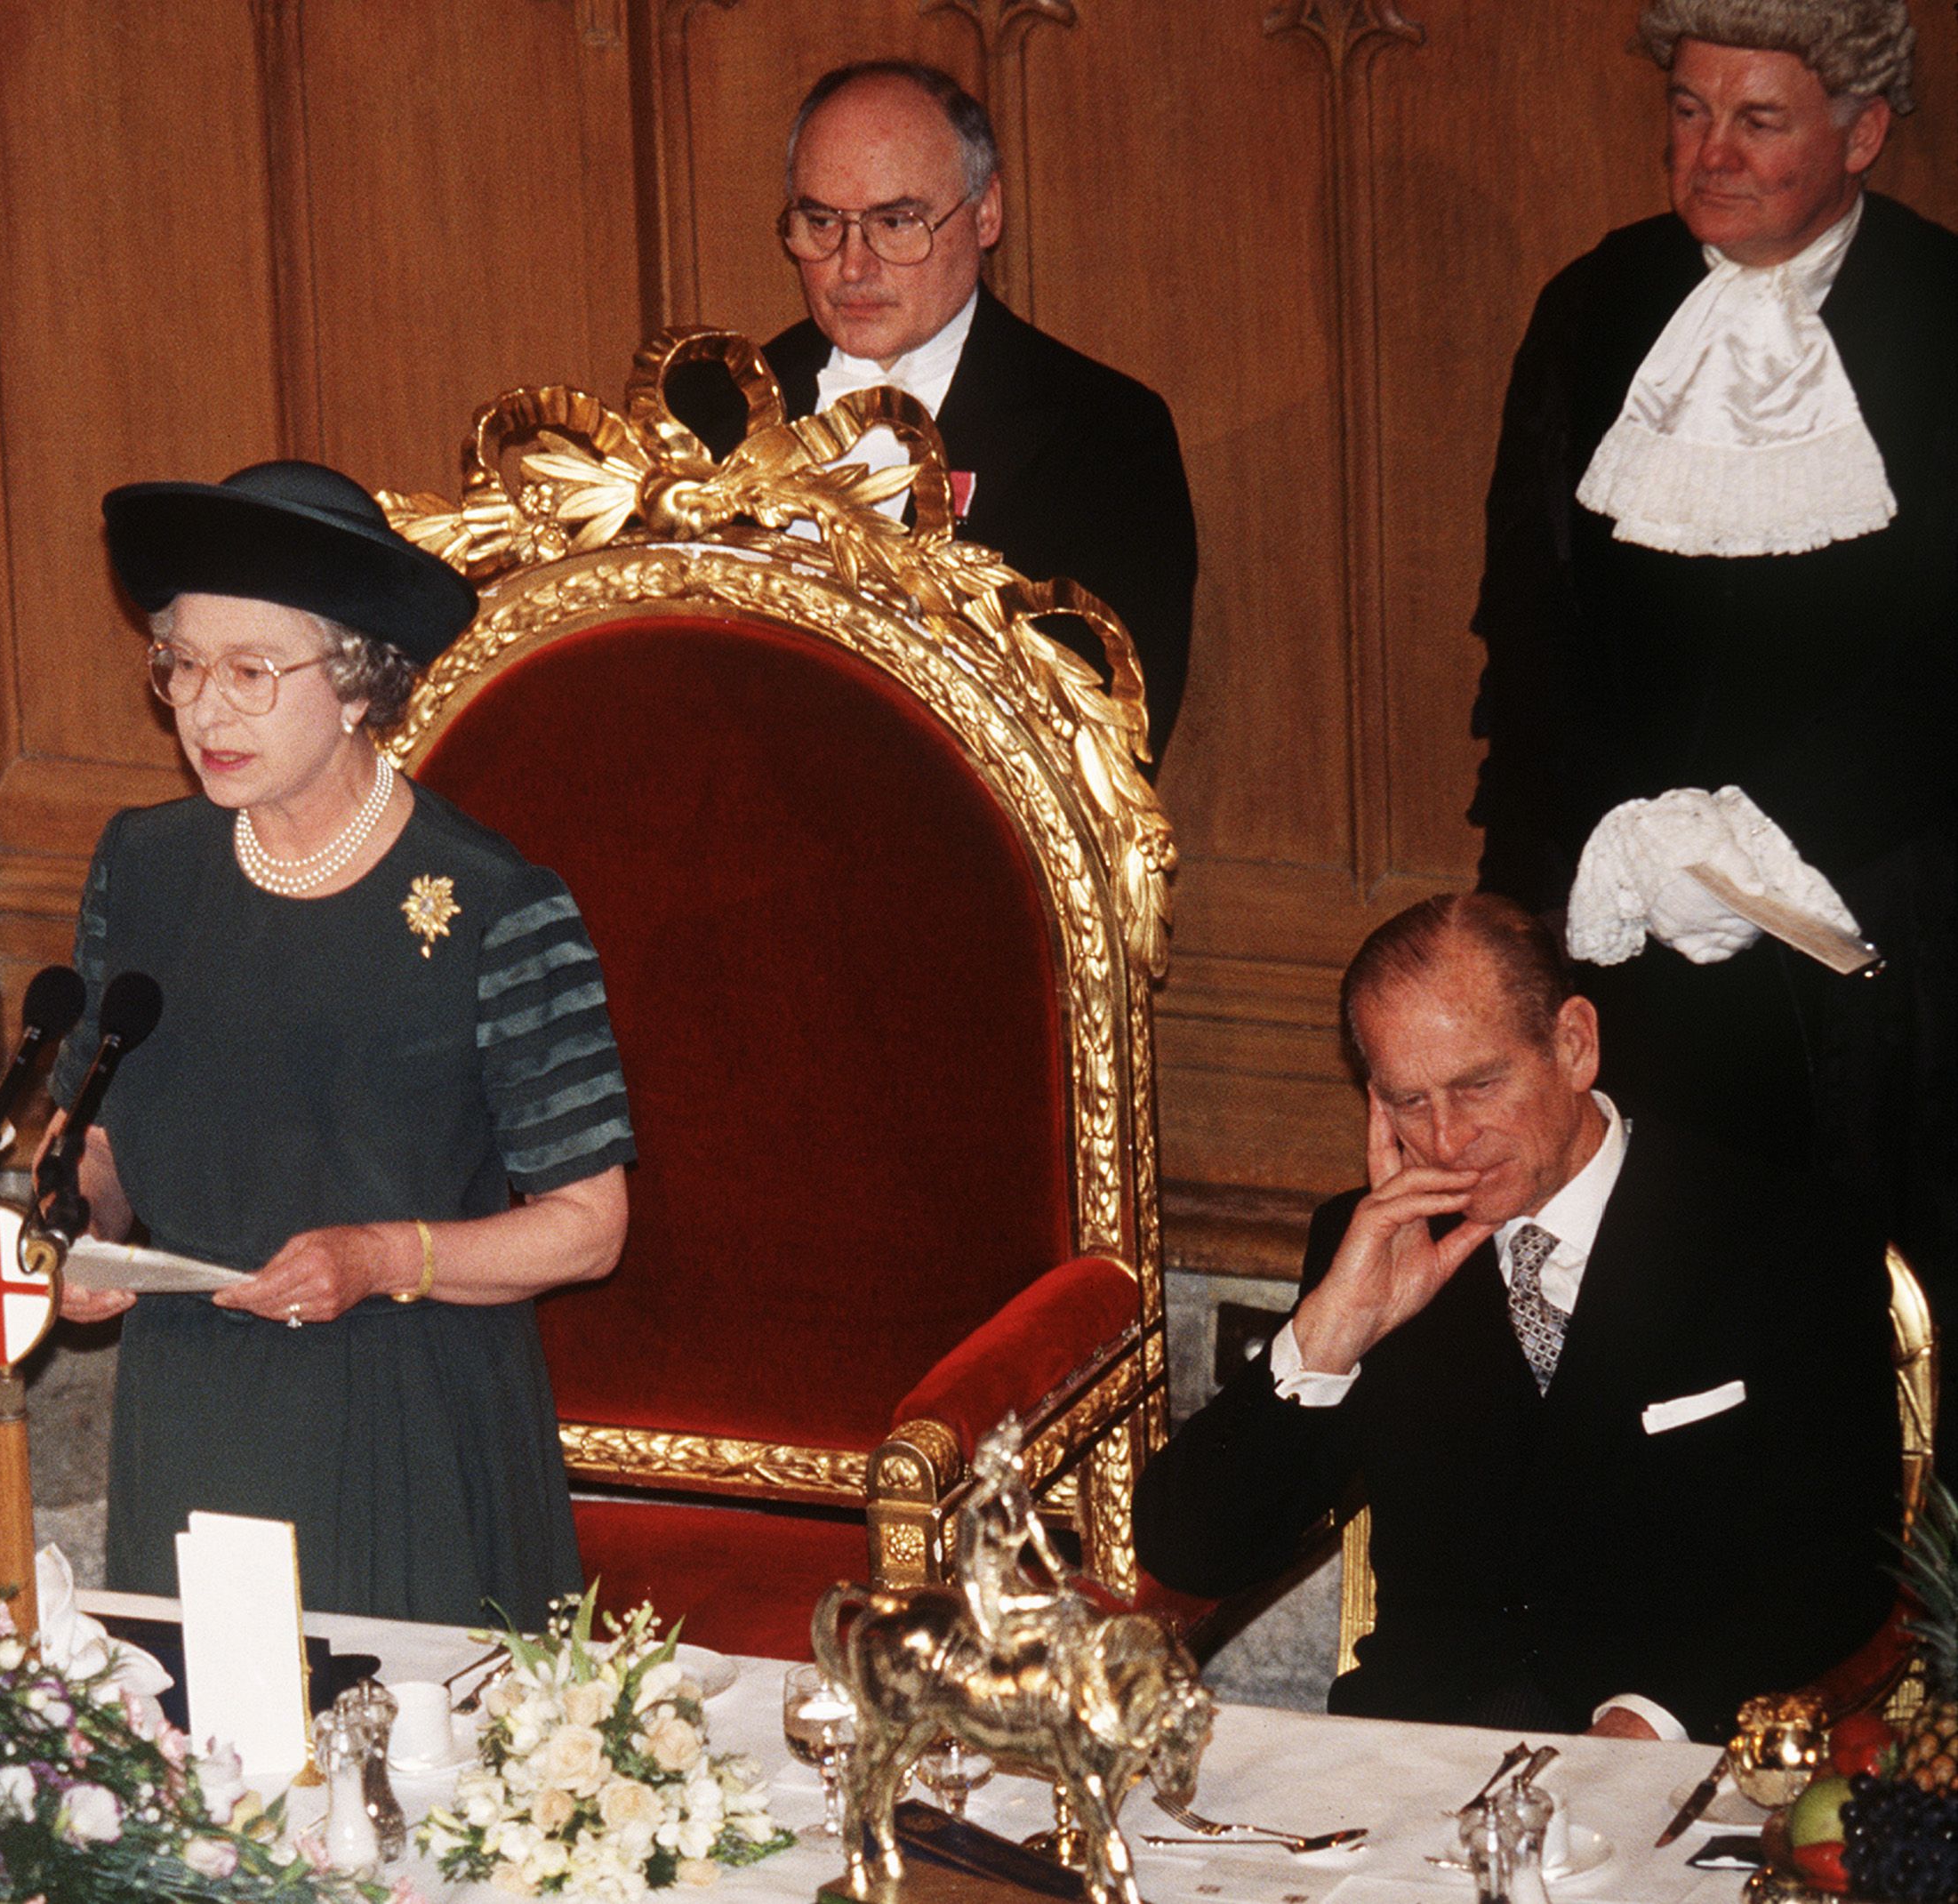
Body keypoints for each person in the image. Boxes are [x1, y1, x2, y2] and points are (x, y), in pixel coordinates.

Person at [54, 458, 633, 1628]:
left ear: (360, 681)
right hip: (193, 1407)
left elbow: (589, 1227)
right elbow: (99, 1133)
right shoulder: (145, 865)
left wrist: (378, 1257)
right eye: (182, 665)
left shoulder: (493, 905)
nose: (206, 710)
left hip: (406, 1414)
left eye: (253, 672)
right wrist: (80, 1233)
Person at [1467, 2, 1954, 1362]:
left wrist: (1759, 837)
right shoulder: (1594, 306)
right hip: (1621, 914)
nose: (1711, 156)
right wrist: (1613, 847)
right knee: (1646, 1311)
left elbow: (1942, 661)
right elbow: (1533, 609)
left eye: (1759, 120)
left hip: (1874, 935)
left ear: (1862, 133)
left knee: (1852, 1324)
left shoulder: (1945, 317)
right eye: (1689, 111)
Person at [1135, 894, 1899, 1745]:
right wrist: (1332, 1332)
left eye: (1478, 1084)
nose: (1449, 1139)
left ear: (1573, 1044)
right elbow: (1188, 1551)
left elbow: (1842, 1565)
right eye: (1409, 1100)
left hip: (1671, 1758)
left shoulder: (1780, 1231)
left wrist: (1653, 1720)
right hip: (1423, 1772)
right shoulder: (1371, 1248)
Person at [676, 61, 1198, 767]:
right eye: (822, 222)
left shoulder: (1105, 434)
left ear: (985, 213)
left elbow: (1110, 739)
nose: (851, 267)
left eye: (897, 222)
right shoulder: (712, 409)